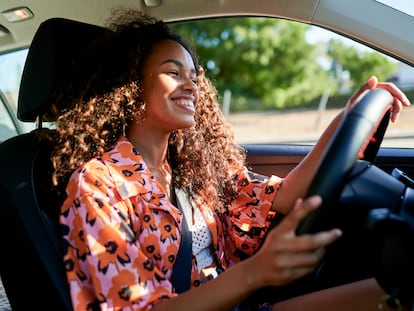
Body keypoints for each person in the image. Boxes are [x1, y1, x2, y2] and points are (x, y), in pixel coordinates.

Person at [51, 9, 411, 311]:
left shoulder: (192, 169)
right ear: (131, 85)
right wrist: (256, 272)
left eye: (194, 76)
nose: (191, 85)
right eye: (173, 73)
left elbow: (282, 196)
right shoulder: (97, 184)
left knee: (400, 289)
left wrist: (348, 117)